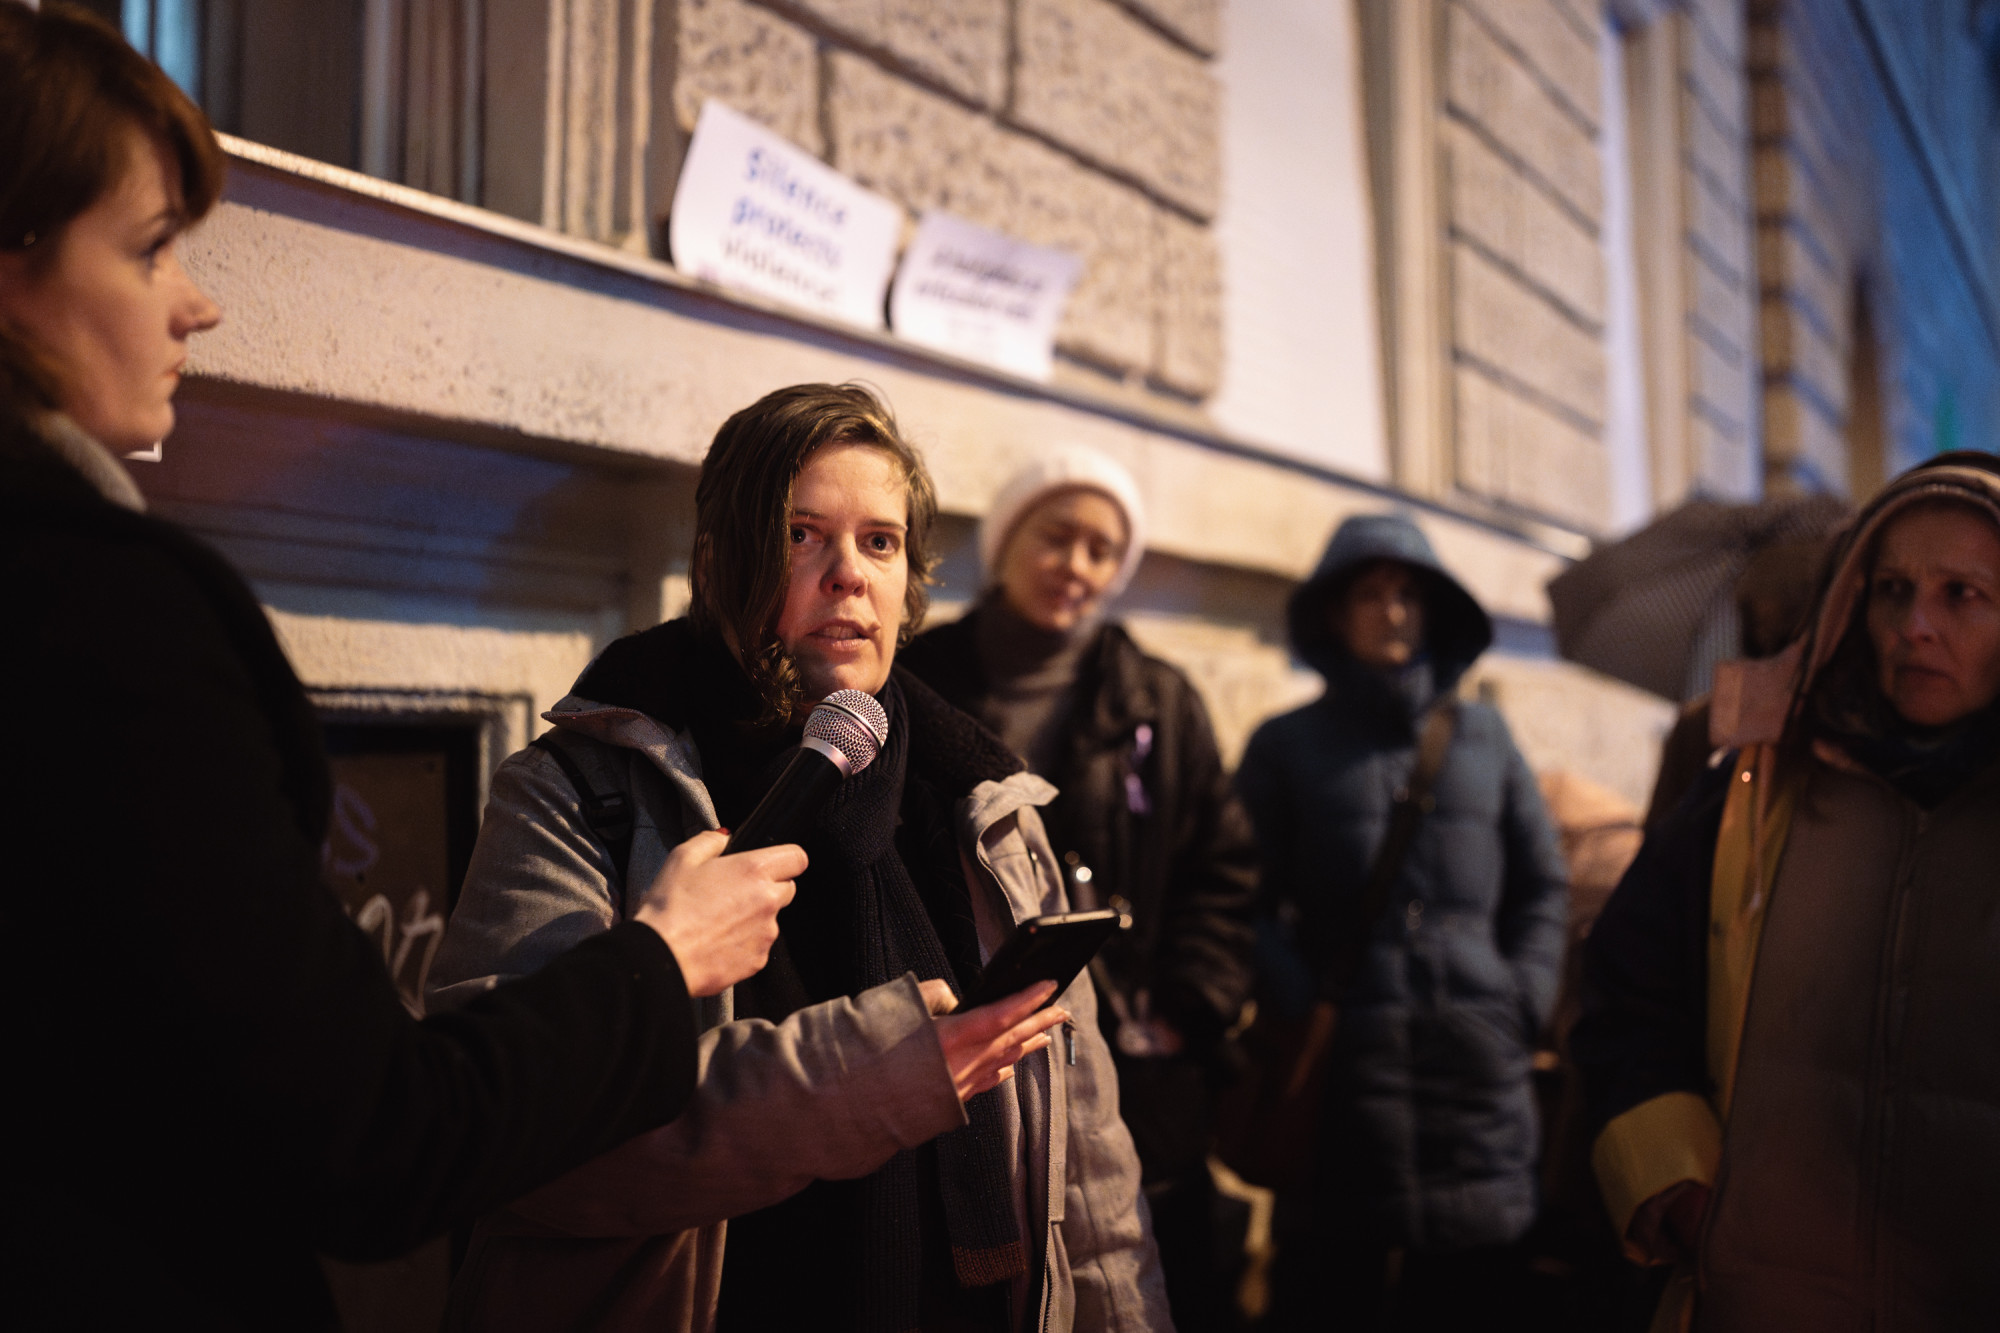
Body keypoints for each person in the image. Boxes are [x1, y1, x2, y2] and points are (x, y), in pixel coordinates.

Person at [0, 4, 802, 1326]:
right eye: (148, 248)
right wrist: (665, 962)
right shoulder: (98, 613)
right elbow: (376, 1135)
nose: (200, 301)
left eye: (881, 540)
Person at [429, 385, 1171, 1332]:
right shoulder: (579, 794)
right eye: (800, 534)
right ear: (718, 563)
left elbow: (1094, 1189)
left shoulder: (986, 808)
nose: (849, 574)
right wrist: (881, 1074)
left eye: (881, 542)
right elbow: (518, 1143)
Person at [1575, 453, 2000, 1332]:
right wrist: (1679, 1184)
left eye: (1962, 594)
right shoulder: (1751, 791)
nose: (1915, 626)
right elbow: (1626, 995)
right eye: (1891, 590)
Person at [900, 447, 1257, 1328]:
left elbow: (1222, 869)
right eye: (1057, 537)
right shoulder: (922, 678)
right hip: (972, 1054)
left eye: (1103, 550)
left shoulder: (1157, 699)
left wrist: (1189, 1004)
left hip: (1138, 1066)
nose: (1078, 566)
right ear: (1008, 542)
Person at [1236, 512, 1570, 1330]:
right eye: (1370, 594)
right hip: (1344, 1091)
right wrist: (1298, 999)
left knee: (1474, 1300)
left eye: (1408, 595)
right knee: (1328, 1297)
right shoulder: (1285, 745)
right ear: (1334, 612)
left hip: (1478, 1083)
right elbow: (1239, 895)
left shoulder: (1485, 737)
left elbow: (1542, 885)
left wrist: (1519, 999)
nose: (1391, 612)